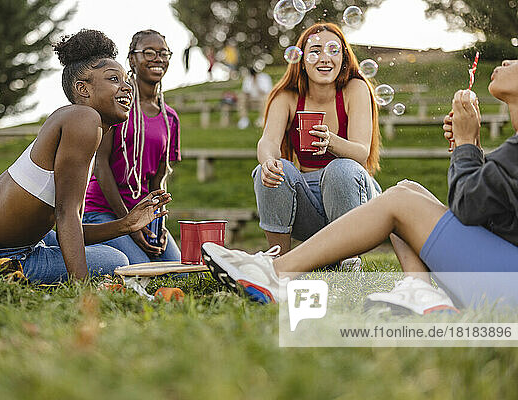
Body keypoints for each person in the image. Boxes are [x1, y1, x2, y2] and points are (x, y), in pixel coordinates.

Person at [201, 59, 518, 311]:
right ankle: (421, 291)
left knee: (400, 203)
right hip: (503, 270)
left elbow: (467, 207)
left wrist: (465, 145)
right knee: (407, 189)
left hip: (506, 285)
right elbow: (489, 212)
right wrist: (470, 147)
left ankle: (275, 273)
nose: (505, 61)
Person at [0, 29, 171, 284]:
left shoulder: (82, 124)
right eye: (114, 79)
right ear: (83, 88)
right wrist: (82, 290)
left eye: (125, 79)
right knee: (116, 260)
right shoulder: (83, 119)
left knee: (107, 254)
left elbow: (68, 223)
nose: (126, 86)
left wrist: (126, 224)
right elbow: (67, 215)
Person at [252, 23, 381, 265]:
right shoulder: (287, 96)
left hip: (355, 198)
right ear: (301, 60)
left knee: (340, 169)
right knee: (271, 169)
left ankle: (347, 262)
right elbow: (268, 141)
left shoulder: (356, 88)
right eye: (315, 51)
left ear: (344, 57)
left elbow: (361, 154)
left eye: (333, 50)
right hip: (307, 206)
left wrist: (331, 141)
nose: (324, 57)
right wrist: (269, 161)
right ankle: (279, 263)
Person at [83, 30, 181, 265]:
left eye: (163, 53)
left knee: (179, 269)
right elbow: (100, 165)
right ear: (131, 60)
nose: (158, 58)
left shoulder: (170, 118)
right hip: (103, 213)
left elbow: (158, 179)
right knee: (141, 269)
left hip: (143, 216)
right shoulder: (116, 105)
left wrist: (158, 222)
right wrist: (128, 221)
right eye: (148, 52)